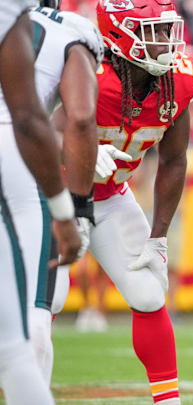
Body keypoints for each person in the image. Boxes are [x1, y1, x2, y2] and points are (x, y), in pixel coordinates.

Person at [53, 1, 193, 404]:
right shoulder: (88, 69)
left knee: (148, 292)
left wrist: (159, 237)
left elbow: (173, 159)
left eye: (167, 30)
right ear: (119, 34)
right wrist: (75, 152)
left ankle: (168, 400)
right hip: (51, 194)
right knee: (49, 299)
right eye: (154, 32)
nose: (166, 41)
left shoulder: (178, 81)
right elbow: (44, 134)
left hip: (111, 195)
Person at [4, 3, 102, 384]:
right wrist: (75, 208)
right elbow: (80, 116)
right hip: (15, 154)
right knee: (33, 317)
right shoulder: (68, 29)